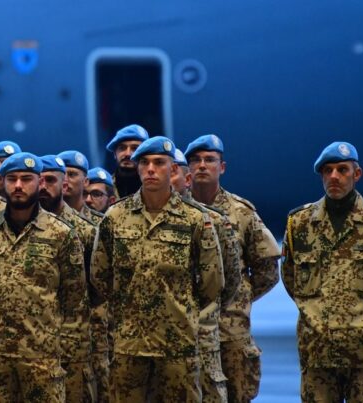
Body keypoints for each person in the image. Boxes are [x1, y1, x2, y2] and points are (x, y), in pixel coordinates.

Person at [91, 136, 224, 401]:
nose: (151, 169)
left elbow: (212, 281)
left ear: (173, 169)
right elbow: (99, 273)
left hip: (177, 343)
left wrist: (182, 309)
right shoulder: (115, 217)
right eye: (145, 163)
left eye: (159, 163)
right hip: (129, 343)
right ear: (138, 169)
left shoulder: (195, 218)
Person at [282, 141, 363, 402]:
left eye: (342, 169)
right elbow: (291, 278)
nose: (334, 177)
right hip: (318, 355)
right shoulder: (300, 224)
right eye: (328, 171)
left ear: (357, 174)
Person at [0, 152, 88, 402]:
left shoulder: (61, 234)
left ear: (40, 183)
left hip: (41, 359)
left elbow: (74, 298)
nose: (18, 185)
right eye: (12, 179)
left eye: (26, 179)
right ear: (2, 182)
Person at [185, 134, 280, 402]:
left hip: (231, 330)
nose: (202, 165)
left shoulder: (242, 212)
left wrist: (239, 296)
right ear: (186, 168)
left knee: (237, 395)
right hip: (187, 329)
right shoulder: (177, 211)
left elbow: (267, 268)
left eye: (209, 160)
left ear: (222, 167)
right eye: (195, 160)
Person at [171, 147, 242, 403]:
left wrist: (210, 310)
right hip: (155, 343)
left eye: (173, 172)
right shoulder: (129, 220)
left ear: (185, 179)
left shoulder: (212, 221)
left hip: (201, 336)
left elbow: (231, 280)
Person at [38, 155, 99, 403]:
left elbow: (99, 286)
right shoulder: (25, 227)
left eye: (50, 180)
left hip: (73, 344)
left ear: (64, 186)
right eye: (39, 181)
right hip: (33, 344)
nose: (43, 186)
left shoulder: (85, 231)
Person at [57, 150, 103, 224]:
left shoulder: (100, 223)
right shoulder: (43, 217)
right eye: (62, 174)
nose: (65, 180)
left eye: (71, 174)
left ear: (85, 182)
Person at [105, 124, 149, 198]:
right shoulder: (104, 190)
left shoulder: (155, 188)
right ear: (115, 154)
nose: (128, 154)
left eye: (135, 148)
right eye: (122, 148)